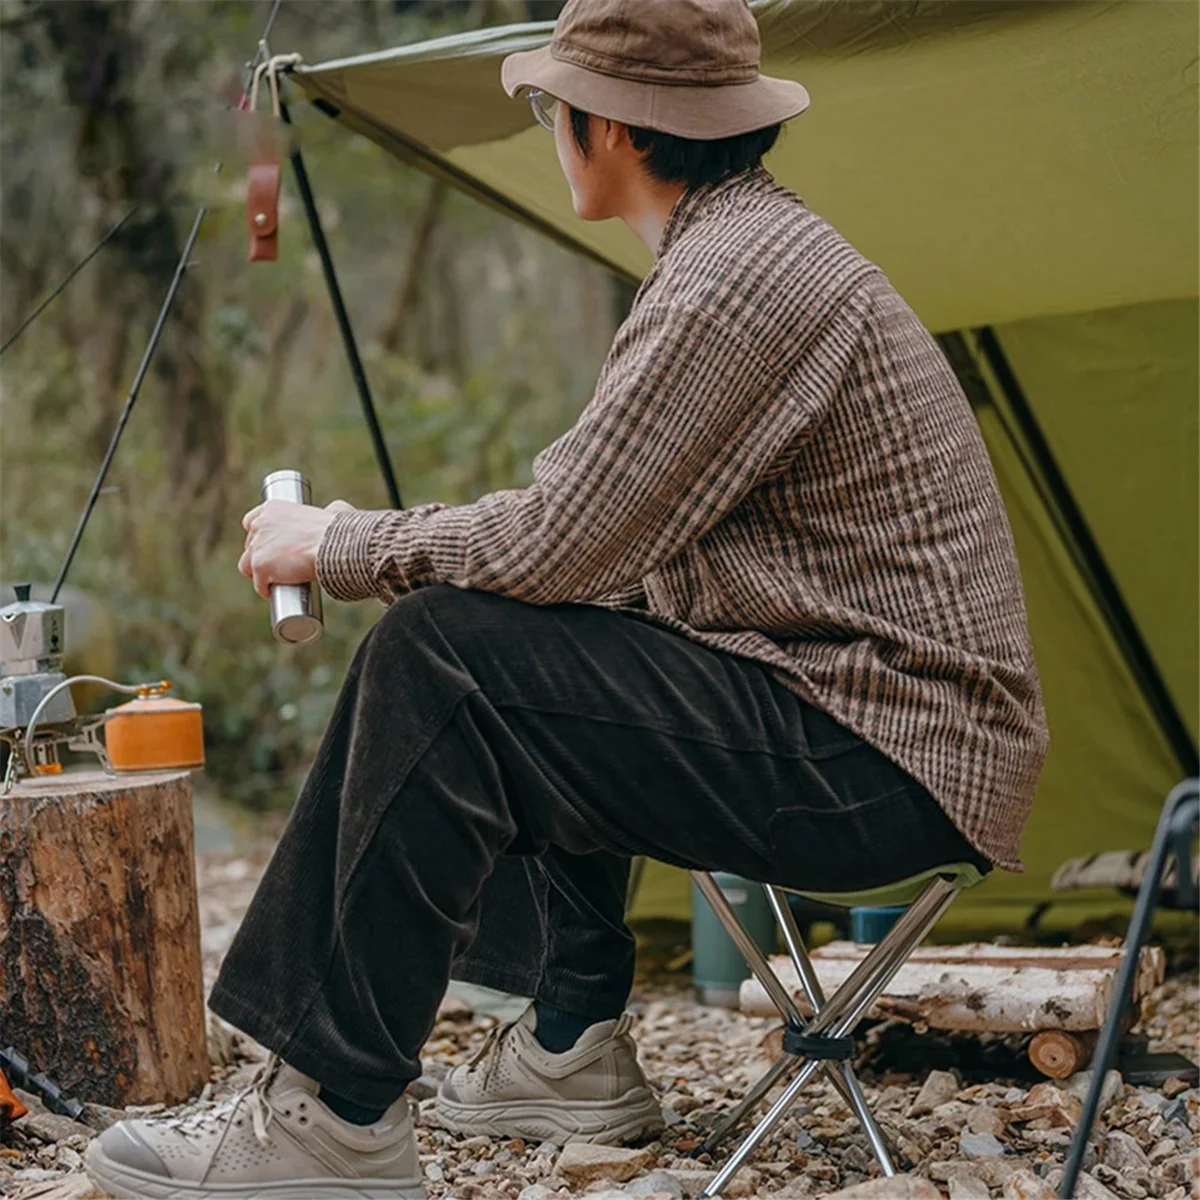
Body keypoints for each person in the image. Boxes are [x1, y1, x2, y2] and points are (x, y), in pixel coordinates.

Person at [86, 0, 1048, 1196]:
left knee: (447, 653)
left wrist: (338, 544)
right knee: (541, 638)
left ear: (612, 130)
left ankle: (330, 1120)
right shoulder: (741, 250)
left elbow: (551, 543)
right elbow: (587, 554)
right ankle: (564, 1045)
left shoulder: (735, 284)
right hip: (880, 734)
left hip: (885, 757)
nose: (551, 126)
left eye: (553, 106)